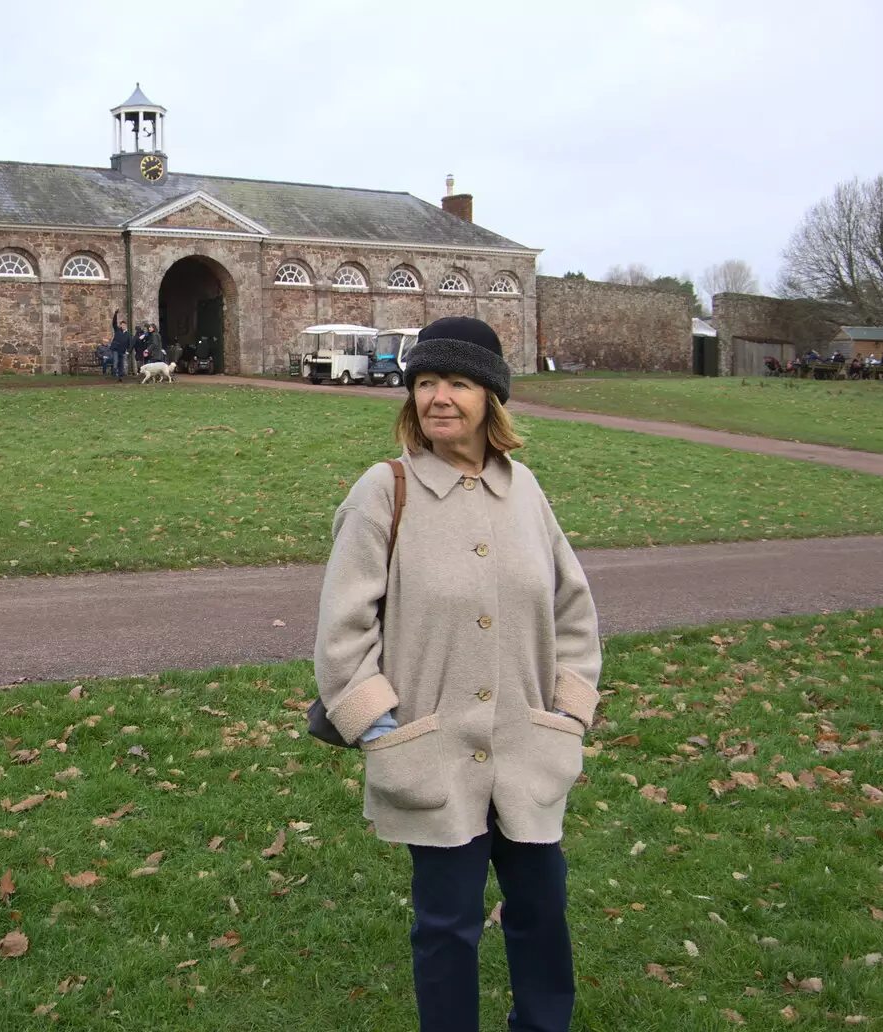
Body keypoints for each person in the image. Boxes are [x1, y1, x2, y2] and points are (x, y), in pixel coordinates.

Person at [314, 316, 601, 1032]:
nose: (439, 398)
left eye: (459, 383)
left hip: (528, 749)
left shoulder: (525, 490)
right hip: (433, 750)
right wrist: (382, 726)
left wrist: (568, 713)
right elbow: (344, 627)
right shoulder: (385, 491)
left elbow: (574, 608)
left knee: (542, 910)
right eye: (426, 383)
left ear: (492, 399)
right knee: (446, 925)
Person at [110, 310, 132, 381]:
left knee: (121, 364)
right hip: (116, 349)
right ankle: (114, 374)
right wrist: (115, 314)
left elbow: (129, 343)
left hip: (122, 350)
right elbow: (114, 323)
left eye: (124, 325)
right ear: (120, 325)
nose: (123, 326)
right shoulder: (117, 330)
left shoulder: (128, 334)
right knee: (115, 362)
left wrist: (128, 351)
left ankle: (120, 376)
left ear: (126, 326)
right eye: (122, 325)